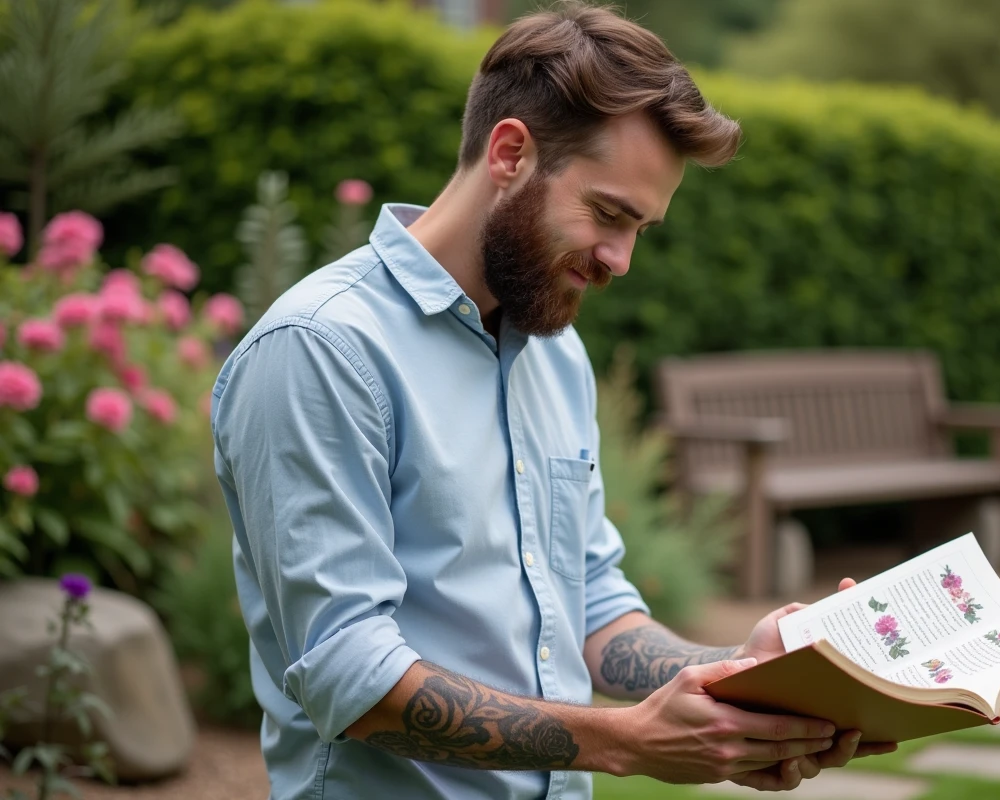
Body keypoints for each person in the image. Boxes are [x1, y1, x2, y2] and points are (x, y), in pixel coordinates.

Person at [210, 2, 896, 798]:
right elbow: (349, 675)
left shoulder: (554, 351)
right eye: (608, 213)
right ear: (510, 153)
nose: (622, 259)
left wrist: (747, 672)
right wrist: (625, 743)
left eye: (642, 229)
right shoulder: (320, 350)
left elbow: (592, 602)